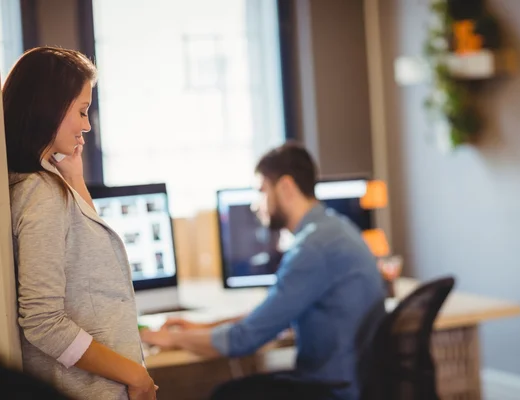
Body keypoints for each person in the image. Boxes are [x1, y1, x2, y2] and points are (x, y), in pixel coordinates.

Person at [141, 142, 386, 399]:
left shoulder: (313, 248)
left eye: (261, 191)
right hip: (353, 382)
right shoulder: (336, 229)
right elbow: (270, 313)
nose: (255, 204)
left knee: (226, 394)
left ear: (286, 187)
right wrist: (202, 326)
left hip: (333, 390)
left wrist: (174, 340)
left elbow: (244, 339)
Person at [6, 47, 157, 399]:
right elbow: (43, 323)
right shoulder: (40, 194)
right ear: (50, 108)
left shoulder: (49, 186)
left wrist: (74, 178)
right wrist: (135, 374)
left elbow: (90, 255)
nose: (87, 125)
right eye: (82, 111)